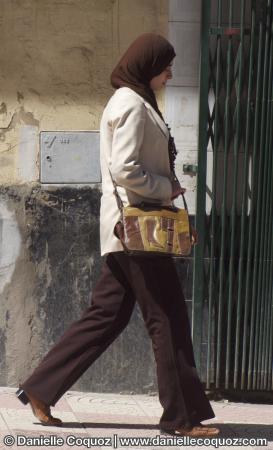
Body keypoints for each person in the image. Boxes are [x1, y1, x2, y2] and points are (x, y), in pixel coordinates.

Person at [16, 33, 219, 437]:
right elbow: (125, 168)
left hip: (133, 232)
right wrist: (166, 190)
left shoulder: (138, 101)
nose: (170, 73)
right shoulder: (130, 103)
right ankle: (181, 419)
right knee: (168, 319)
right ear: (147, 65)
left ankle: (40, 388)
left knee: (106, 316)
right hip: (138, 231)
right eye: (165, 65)